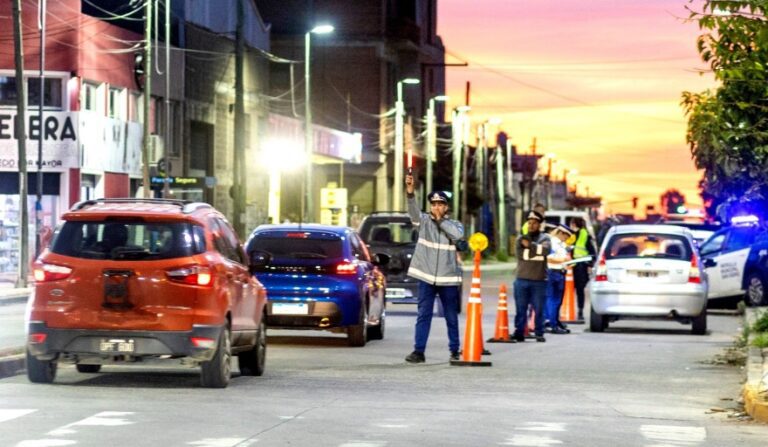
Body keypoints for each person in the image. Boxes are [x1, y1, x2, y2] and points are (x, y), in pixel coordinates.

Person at [404, 173, 464, 363]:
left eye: (440, 204)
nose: (436, 208)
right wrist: (410, 191)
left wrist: (440, 221)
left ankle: (455, 350)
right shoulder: (423, 222)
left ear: (446, 207)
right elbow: (413, 211)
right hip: (426, 277)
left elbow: (457, 236)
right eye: (434, 204)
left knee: (451, 317)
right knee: (424, 315)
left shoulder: (455, 224)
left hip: (448, 278)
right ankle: (418, 351)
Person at [513, 210, 551, 342]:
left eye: (534, 223)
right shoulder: (520, 239)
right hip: (521, 279)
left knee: (539, 309)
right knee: (520, 309)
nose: (531, 225)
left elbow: (546, 251)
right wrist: (536, 251)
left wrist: (530, 246)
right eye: (529, 223)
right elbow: (520, 256)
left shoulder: (545, 238)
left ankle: (539, 333)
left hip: (539, 281)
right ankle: (519, 332)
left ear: (539, 224)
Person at [544, 224, 573, 334]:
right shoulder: (552, 243)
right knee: (553, 300)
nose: (567, 239)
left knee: (557, 300)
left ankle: (554, 321)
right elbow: (549, 259)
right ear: (561, 233)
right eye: (566, 236)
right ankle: (552, 324)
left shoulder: (561, 244)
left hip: (560, 273)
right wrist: (564, 261)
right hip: (553, 273)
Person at [569, 216, 596, 321]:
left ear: (575, 225)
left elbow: (592, 252)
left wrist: (589, 265)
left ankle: (579, 311)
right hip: (577, 265)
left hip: (579, 266)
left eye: (572, 224)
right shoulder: (579, 235)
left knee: (578, 290)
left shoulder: (582, 235)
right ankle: (578, 311)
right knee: (578, 290)